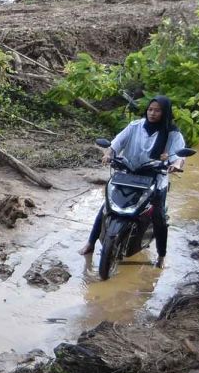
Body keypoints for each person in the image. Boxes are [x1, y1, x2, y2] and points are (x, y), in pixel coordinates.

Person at [79, 96, 186, 269]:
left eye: (157, 110)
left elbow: (179, 157)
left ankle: (161, 256)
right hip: (127, 174)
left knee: (159, 217)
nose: (152, 113)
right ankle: (90, 243)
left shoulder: (173, 133)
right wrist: (108, 154)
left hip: (155, 179)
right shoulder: (135, 126)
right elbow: (116, 144)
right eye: (150, 109)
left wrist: (175, 165)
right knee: (106, 207)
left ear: (165, 112)